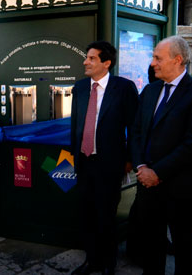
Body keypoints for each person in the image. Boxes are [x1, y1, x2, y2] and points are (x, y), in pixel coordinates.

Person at [130, 35, 192, 275]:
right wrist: (142, 167)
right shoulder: (150, 90)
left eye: (158, 58)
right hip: (148, 186)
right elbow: (136, 132)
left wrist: (157, 171)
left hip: (183, 188)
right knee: (151, 248)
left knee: (185, 251)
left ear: (178, 60)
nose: (152, 63)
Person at [70, 41, 138, 275]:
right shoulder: (79, 88)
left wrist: (130, 160)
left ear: (106, 63)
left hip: (110, 165)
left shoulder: (124, 88)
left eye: (91, 58)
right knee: (87, 214)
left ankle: (109, 263)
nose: (85, 62)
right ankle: (92, 260)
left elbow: (135, 128)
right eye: (86, 57)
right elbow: (75, 126)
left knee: (106, 216)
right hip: (84, 162)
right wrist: (74, 157)